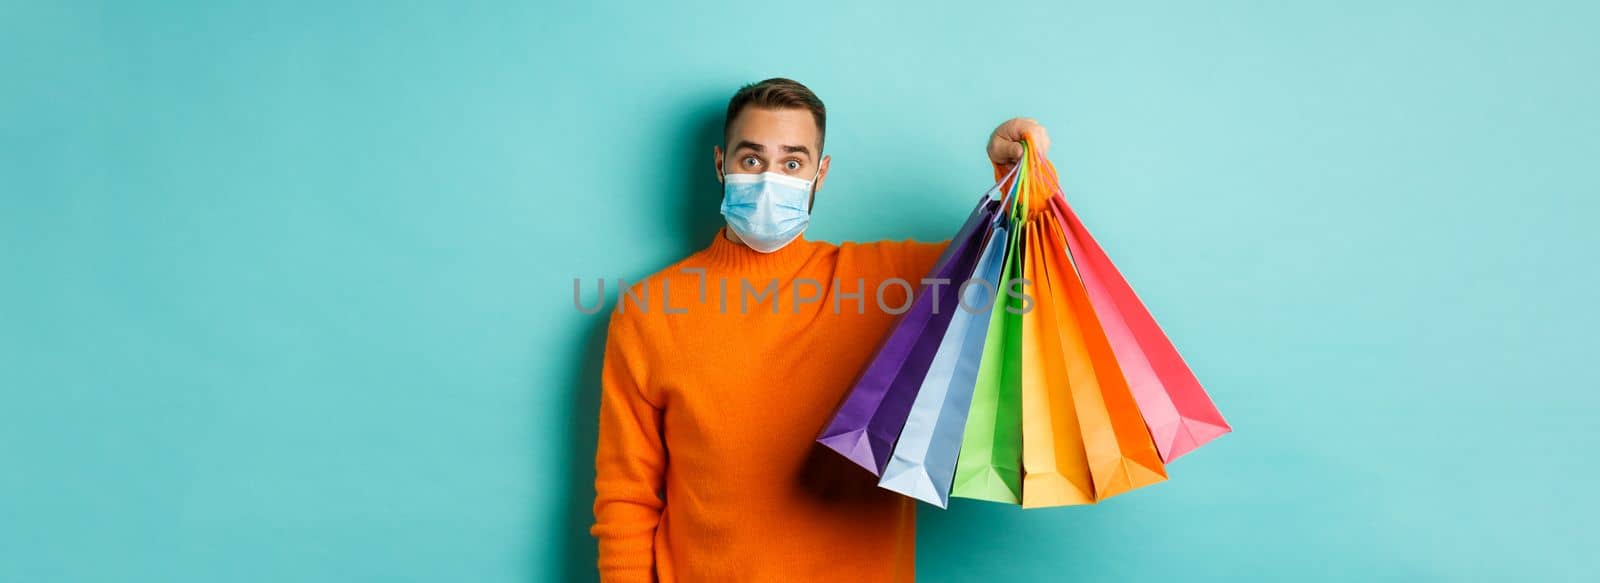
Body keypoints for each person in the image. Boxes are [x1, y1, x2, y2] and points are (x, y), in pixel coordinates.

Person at [590, 77, 1050, 582]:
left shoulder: (892, 286)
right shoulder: (648, 311)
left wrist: (1018, 181)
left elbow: (1018, 265)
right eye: (751, 160)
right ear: (721, 163)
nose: (770, 178)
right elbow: (625, 501)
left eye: (792, 163)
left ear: (820, 172)